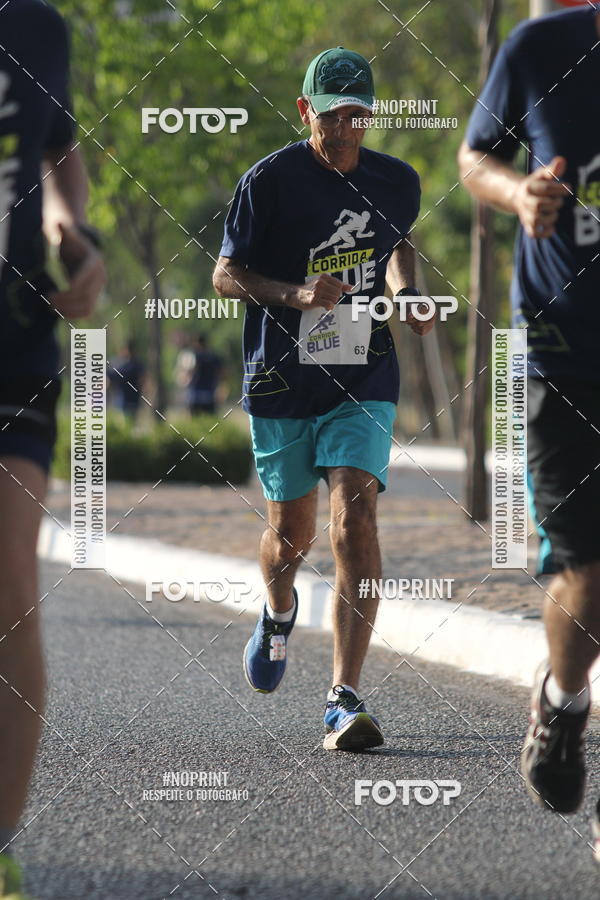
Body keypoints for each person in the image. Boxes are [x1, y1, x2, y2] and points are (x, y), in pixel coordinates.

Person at [213, 47, 433, 751]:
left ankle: (343, 696)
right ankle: (279, 611)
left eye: (356, 115)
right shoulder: (269, 181)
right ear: (304, 110)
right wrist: (296, 294)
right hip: (281, 377)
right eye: (330, 115)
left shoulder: (396, 181)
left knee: (355, 518)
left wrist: (407, 292)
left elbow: (396, 246)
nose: (343, 129)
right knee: (290, 540)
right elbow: (225, 275)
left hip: (363, 373)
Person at [458, 4, 600, 818]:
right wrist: (517, 193)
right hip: (561, 354)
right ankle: (562, 701)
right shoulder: (540, 48)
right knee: (586, 571)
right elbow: (475, 157)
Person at [0, 3, 105, 896]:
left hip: (15, 337)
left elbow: (56, 147)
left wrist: (72, 232)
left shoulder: (36, 26)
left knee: (9, 587)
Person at [108, 339, 145, 421]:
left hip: (128, 399)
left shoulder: (129, 366)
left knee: (126, 420)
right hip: (126, 398)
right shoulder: (134, 364)